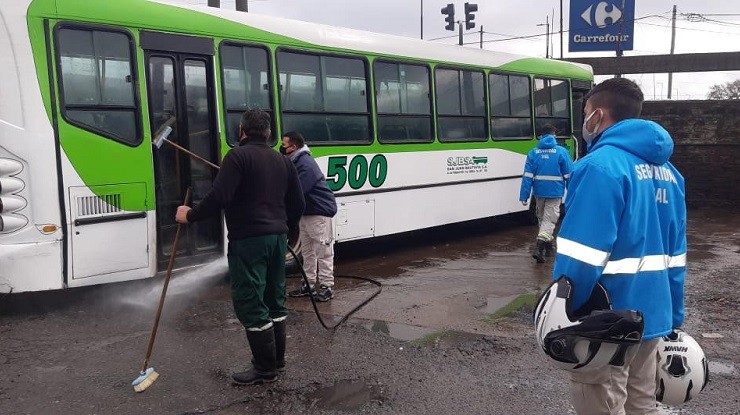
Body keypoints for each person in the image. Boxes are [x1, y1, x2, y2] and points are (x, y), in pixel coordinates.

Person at [552, 78, 687, 414]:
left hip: (607, 318)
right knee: (641, 398)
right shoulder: (670, 173)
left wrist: (565, 310)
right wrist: (674, 315)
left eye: (585, 113)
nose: (584, 121)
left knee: (599, 399)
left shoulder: (599, 167)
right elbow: (677, 254)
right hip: (653, 314)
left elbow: (581, 254)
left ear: (598, 115)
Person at [175, 109, 304, 385]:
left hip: (249, 241)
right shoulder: (284, 161)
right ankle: (277, 362)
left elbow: (218, 196)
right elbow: (299, 204)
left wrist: (190, 215)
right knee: (274, 300)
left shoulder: (236, 156)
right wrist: (284, 228)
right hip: (277, 239)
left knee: (250, 302)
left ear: (241, 131)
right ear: (268, 133)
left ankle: (265, 369)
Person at [281, 131, 338, 302]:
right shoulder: (295, 161)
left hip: (319, 212)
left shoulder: (305, 164)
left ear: (295, 146)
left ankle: (327, 287)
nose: (282, 148)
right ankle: (309, 285)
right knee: (307, 252)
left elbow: (297, 191)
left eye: (284, 145)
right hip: (306, 213)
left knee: (323, 250)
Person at [519, 124, 574, 263]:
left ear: (541, 136)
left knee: (543, 219)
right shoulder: (561, 152)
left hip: (539, 192)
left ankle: (548, 247)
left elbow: (527, 176)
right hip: (555, 192)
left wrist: (524, 195)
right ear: (554, 135)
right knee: (549, 220)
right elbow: (569, 175)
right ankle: (539, 248)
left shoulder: (533, 153)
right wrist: (573, 194)